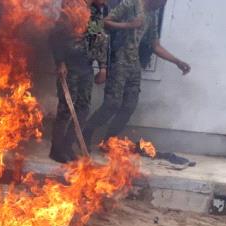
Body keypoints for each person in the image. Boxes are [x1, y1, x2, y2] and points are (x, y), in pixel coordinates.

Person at [82, 0, 191, 147]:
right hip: (118, 60)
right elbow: (104, 23)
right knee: (112, 104)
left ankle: (109, 141)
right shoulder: (130, 4)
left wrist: (177, 61)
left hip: (134, 64)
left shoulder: (152, 14)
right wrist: (128, 25)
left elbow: (155, 46)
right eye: (160, 3)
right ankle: (87, 132)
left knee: (129, 106)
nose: (161, 6)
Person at [50, 0, 109, 163]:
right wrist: (60, 62)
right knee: (65, 109)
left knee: (83, 108)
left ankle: (68, 146)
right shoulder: (72, 7)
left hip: (86, 68)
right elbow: (55, 36)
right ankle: (56, 149)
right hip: (69, 67)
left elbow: (100, 40)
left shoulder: (98, 12)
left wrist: (102, 67)